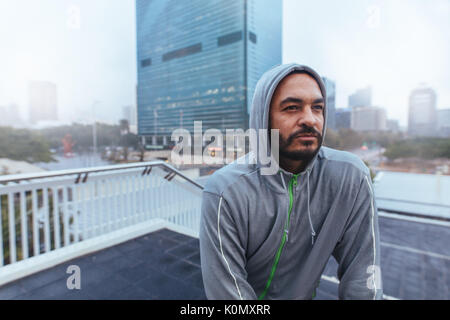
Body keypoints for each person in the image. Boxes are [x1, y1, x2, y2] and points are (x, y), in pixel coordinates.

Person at [199, 63, 383, 300]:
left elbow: (365, 276)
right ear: (263, 118)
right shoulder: (225, 191)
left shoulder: (351, 177)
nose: (310, 119)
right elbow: (229, 294)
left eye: (317, 108)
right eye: (292, 107)